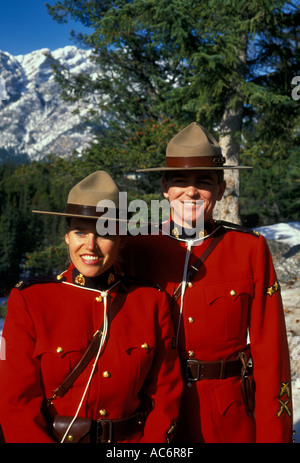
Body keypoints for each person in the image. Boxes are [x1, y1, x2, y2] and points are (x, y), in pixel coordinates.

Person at [122, 122, 293, 443]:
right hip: (152, 413)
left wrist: (274, 436)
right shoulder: (139, 246)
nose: (191, 191)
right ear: (164, 187)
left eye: (203, 181)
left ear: (221, 189)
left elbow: (272, 355)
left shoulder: (248, 249)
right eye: (180, 181)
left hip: (226, 415)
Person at [0, 170, 182, 443]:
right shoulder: (30, 300)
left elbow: (166, 396)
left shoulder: (151, 302)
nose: (91, 245)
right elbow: (16, 403)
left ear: (122, 240)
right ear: (67, 236)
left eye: (104, 233)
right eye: (80, 232)